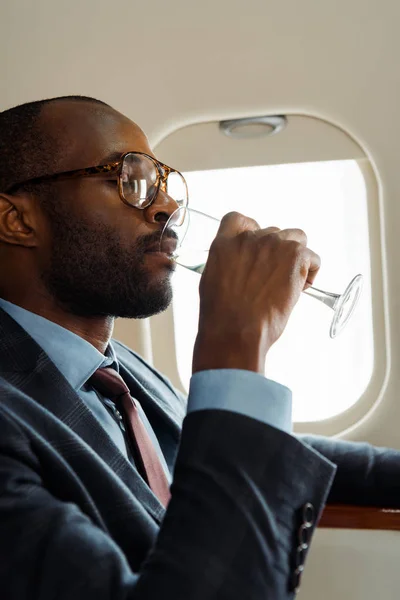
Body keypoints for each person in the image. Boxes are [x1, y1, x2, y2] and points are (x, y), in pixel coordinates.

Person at [0, 96, 399, 600]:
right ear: (18, 221)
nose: (167, 205)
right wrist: (234, 349)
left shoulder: (122, 373)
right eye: (130, 178)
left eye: (164, 184)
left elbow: (211, 451)